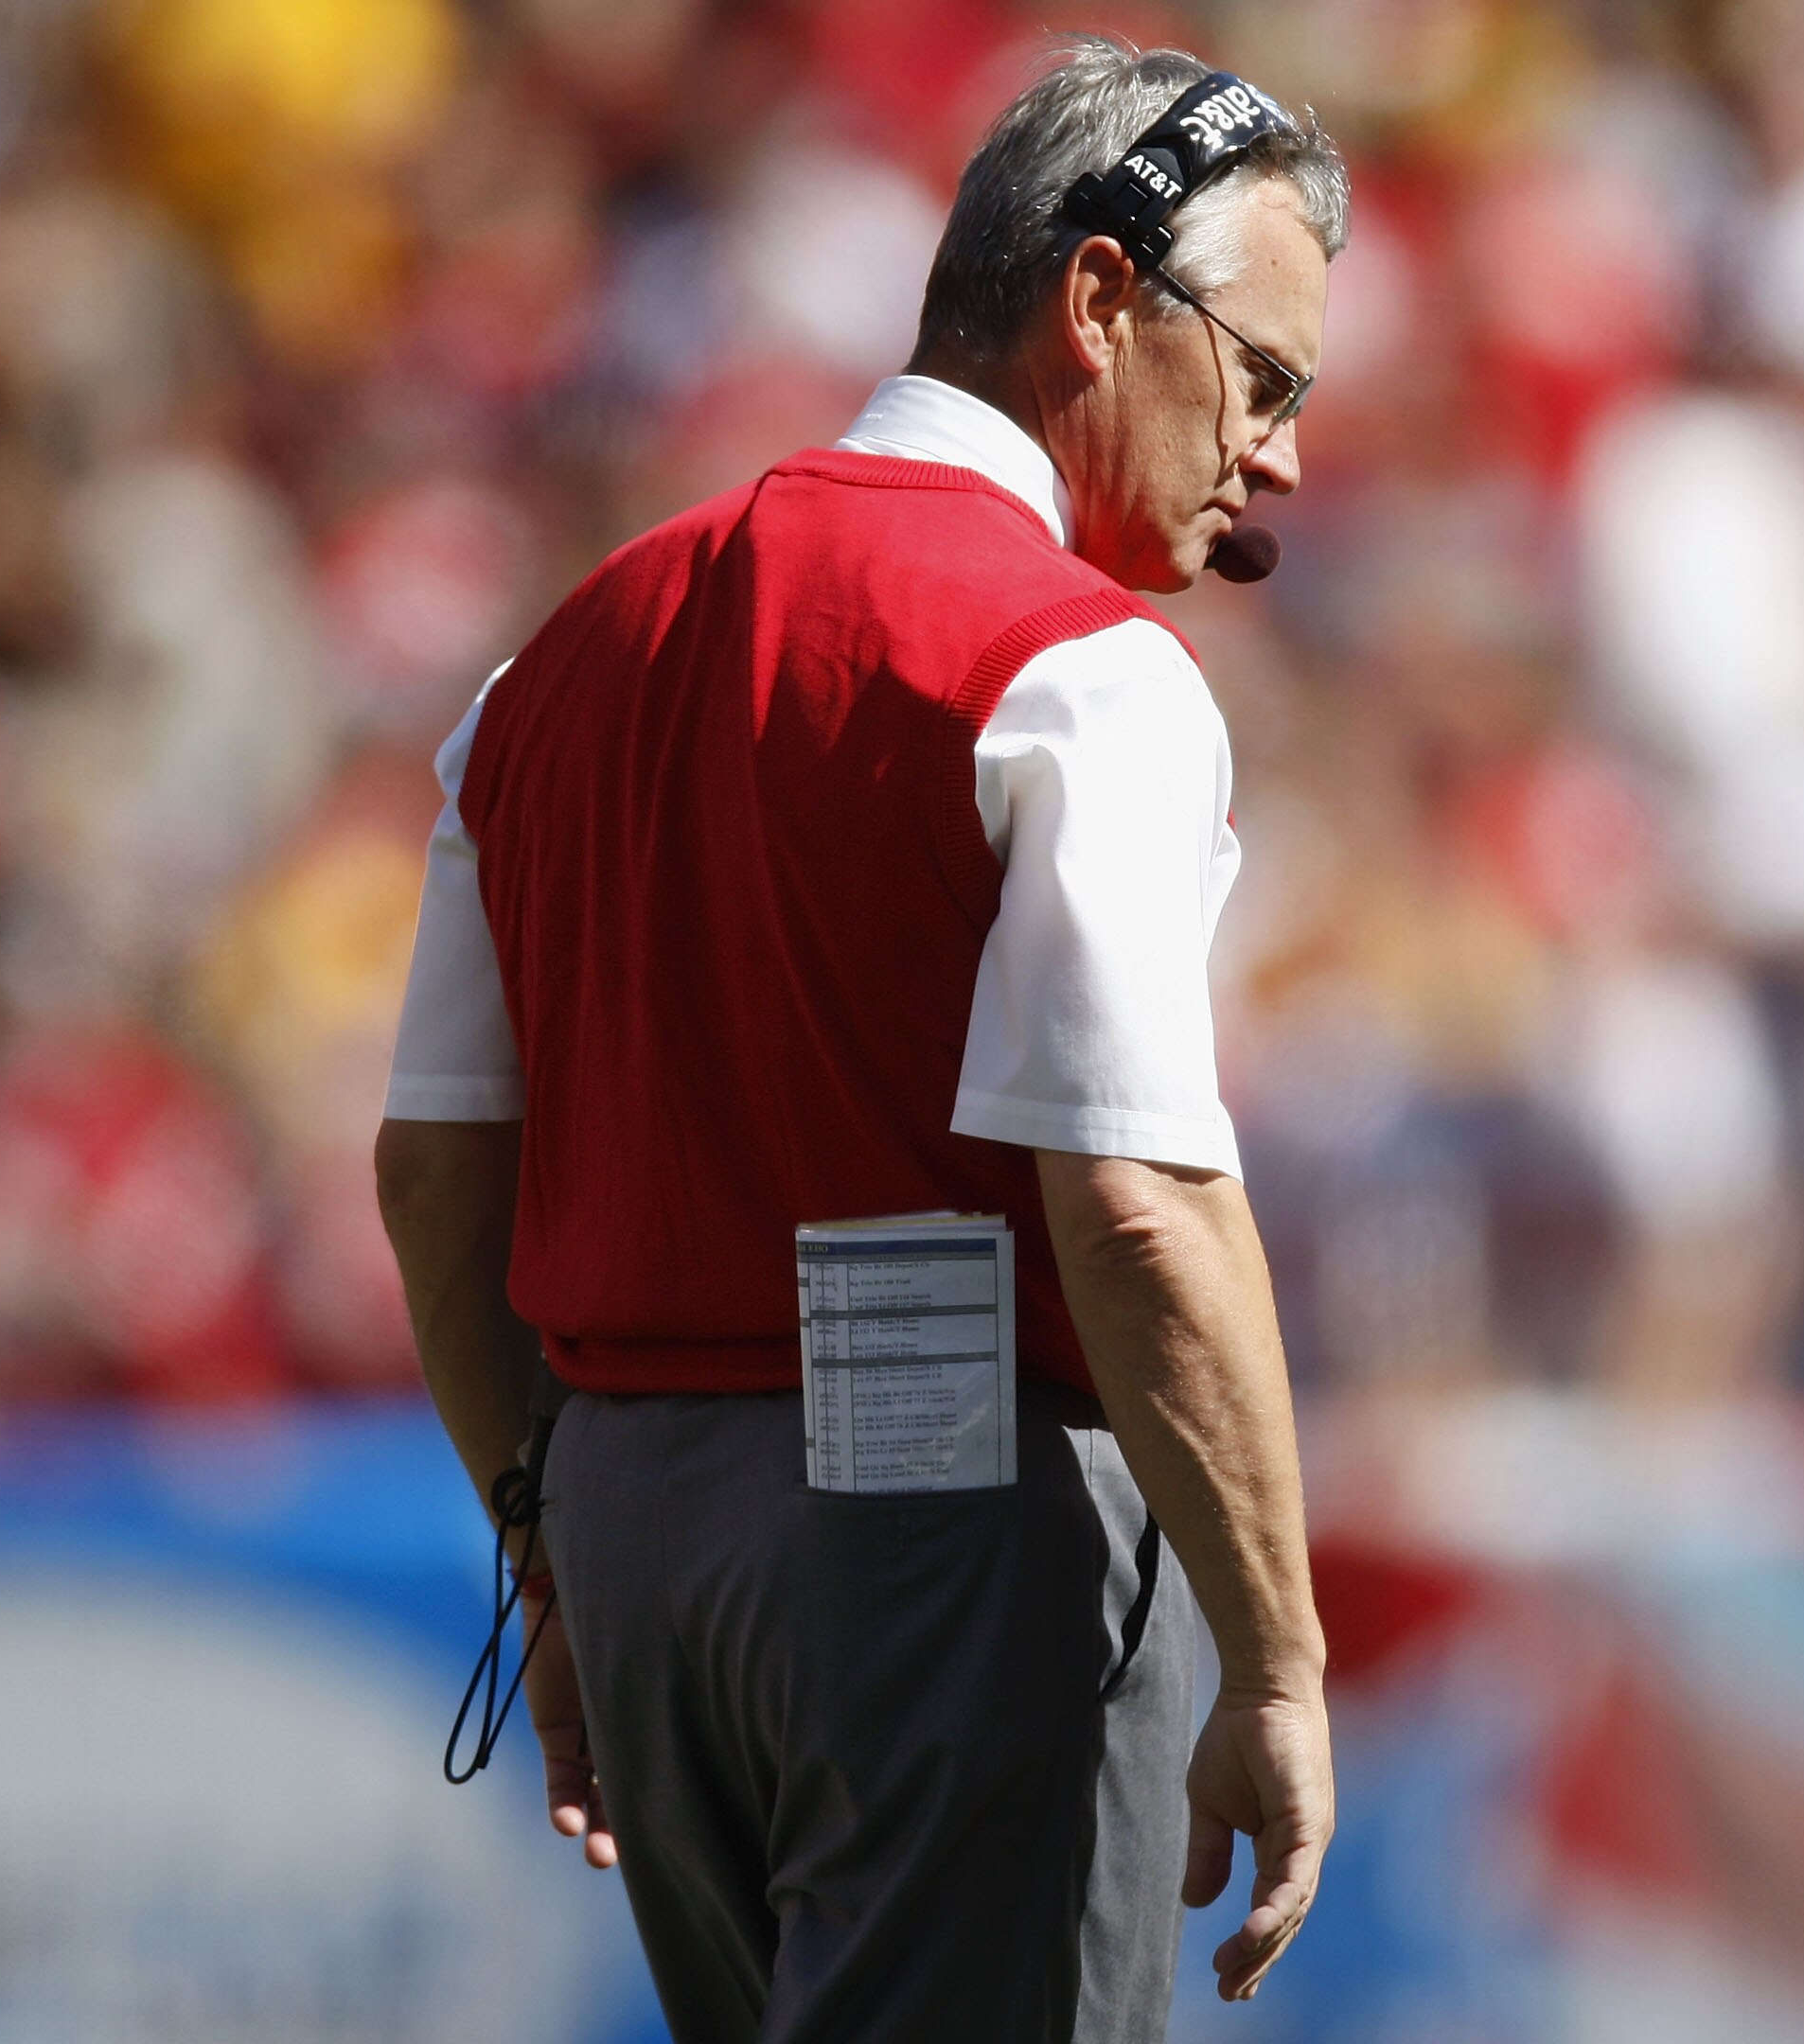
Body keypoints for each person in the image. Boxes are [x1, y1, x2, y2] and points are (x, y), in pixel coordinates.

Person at [374, 37, 1345, 2042]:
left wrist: (555, 1557)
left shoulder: (555, 657)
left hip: (634, 1537)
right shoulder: (1081, 668)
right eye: (1265, 378)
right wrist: (1279, 1661)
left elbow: (432, 1175)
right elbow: (1143, 1209)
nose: (1283, 461)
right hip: (948, 1538)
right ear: (1101, 303)